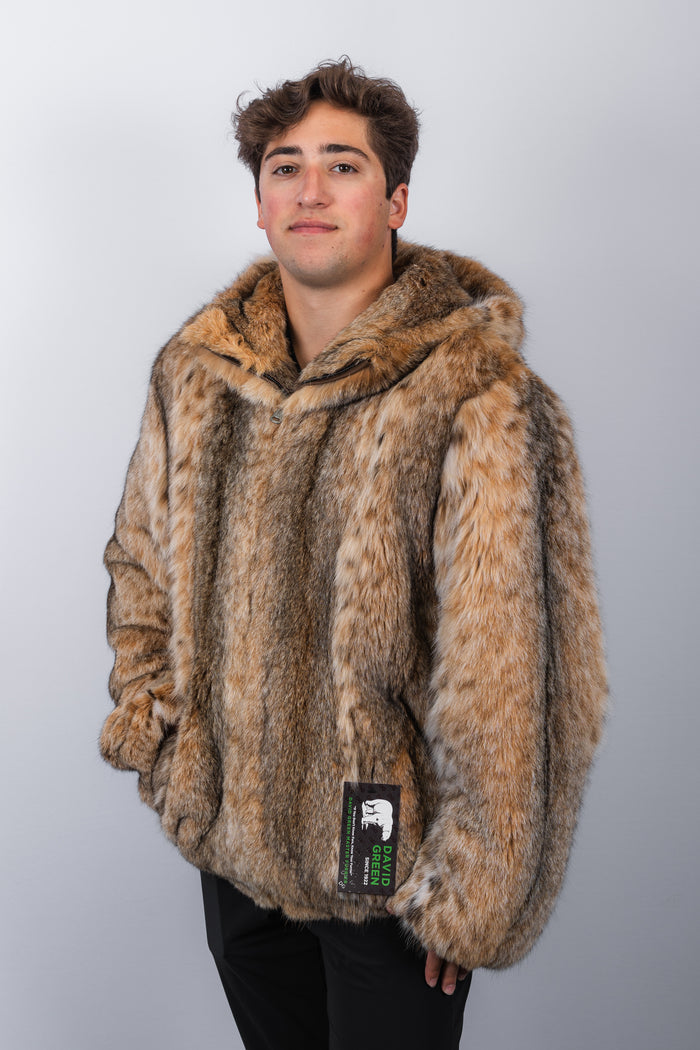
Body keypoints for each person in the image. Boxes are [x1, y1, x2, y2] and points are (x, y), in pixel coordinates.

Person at [99, 58, 607, 1050]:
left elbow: (514, 672)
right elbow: (139, 567)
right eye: (285, 168)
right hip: (232, 849)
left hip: (381, 849)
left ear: (396, 199)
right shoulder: (196, 374)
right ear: (259, 204)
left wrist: (472, 893)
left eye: (343, 165)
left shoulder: (476, 393)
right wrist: (169, 750)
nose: (311, 191)